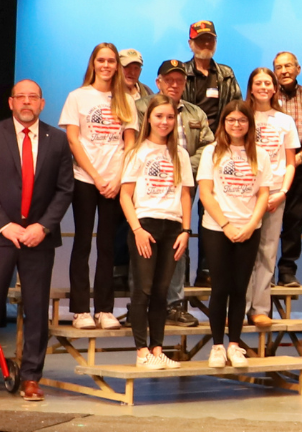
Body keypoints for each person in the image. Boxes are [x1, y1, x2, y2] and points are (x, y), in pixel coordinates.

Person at [0, 80, 74, 401]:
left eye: (33, 98)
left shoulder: (57, 140)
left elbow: (64, 189)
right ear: (11, 102)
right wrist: (5, 226)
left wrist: (42, 226)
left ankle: (31, 376)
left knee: (36, 309)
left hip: (38, 239)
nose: (27, 102)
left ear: (42, 103)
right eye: (21, 97)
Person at [59, 42, 139, 329]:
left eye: (111, 61)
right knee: (82, 243)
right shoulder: (77, 97)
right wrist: (96, 176)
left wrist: (117, 178)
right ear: (93, 63)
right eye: (101, 60)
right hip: (85, 179)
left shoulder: (125, 99)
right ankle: (80, 310)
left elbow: (130, 142)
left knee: (108, 246)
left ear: (117, 66)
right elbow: (73, 140)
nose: (106, 66)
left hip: (114, 183)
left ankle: (104, 310)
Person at [119, 98, 194, 371]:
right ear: (149, 118)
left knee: (162, 292)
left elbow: (186, 195)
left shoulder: (181, 154)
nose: (164, 122)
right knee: (143, 290)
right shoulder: (137, 152)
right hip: (145, 225)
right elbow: (125, 195)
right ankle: (141, 353)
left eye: (170, 117)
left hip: (172, 227)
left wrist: (186, 230)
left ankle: (157, 350)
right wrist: (137, 229)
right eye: (159, 116)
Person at [137, 58, 213, 328]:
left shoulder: (196, 114)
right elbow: (133, 143)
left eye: (179, 80)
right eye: (168, 79)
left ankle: (174, 305)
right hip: (147, 188)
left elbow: (208, 147)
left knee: (179, 246)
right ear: (158, 82)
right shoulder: (140, 108)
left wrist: (182, 167)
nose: (174, 84)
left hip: (181, 187)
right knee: (144, 249)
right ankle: (142, 308)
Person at [196, 102, 271, 368]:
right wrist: (226, 224)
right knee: (221, 287)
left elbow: (263, 193)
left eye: (242, 120)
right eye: (231, 119)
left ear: (250, 124)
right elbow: (205, 193)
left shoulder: (261, 155)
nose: (236, 124)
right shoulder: (211, 152)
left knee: (240, 289)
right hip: (217, 228)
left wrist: (251, 225)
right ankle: (217, 346)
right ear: (224, 122)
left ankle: (235, 345)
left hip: (249, 227)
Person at [242, 68, 302, 333]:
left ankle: (260, 310)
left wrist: (283, 192)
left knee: (267, 252)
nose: (264, 87)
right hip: (244, 196)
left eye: (268, 83)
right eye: (258, 83)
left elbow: (291, 163)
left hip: (275, 195)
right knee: (244, 254)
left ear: (274, 89)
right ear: (251, 88)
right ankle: (240, 308)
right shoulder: (241, 116)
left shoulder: (285, 121)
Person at [271, 52, 302, 287]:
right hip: (269, 166)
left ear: (298, 69)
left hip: (299, 164)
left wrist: (301, 155)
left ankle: (287, 270)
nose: (284, 71)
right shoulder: (267, 94)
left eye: (288, 66)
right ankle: (264, 271)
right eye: (279, 67)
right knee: (266, 217)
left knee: (293, 219)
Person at [180, 20, 242, 129]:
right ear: (190, 44)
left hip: (221, 136)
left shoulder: (227, 74)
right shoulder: (181, 72)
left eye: (210, 39)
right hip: (189, 134)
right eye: (201, 40)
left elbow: (237, 105)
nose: (207, 44)